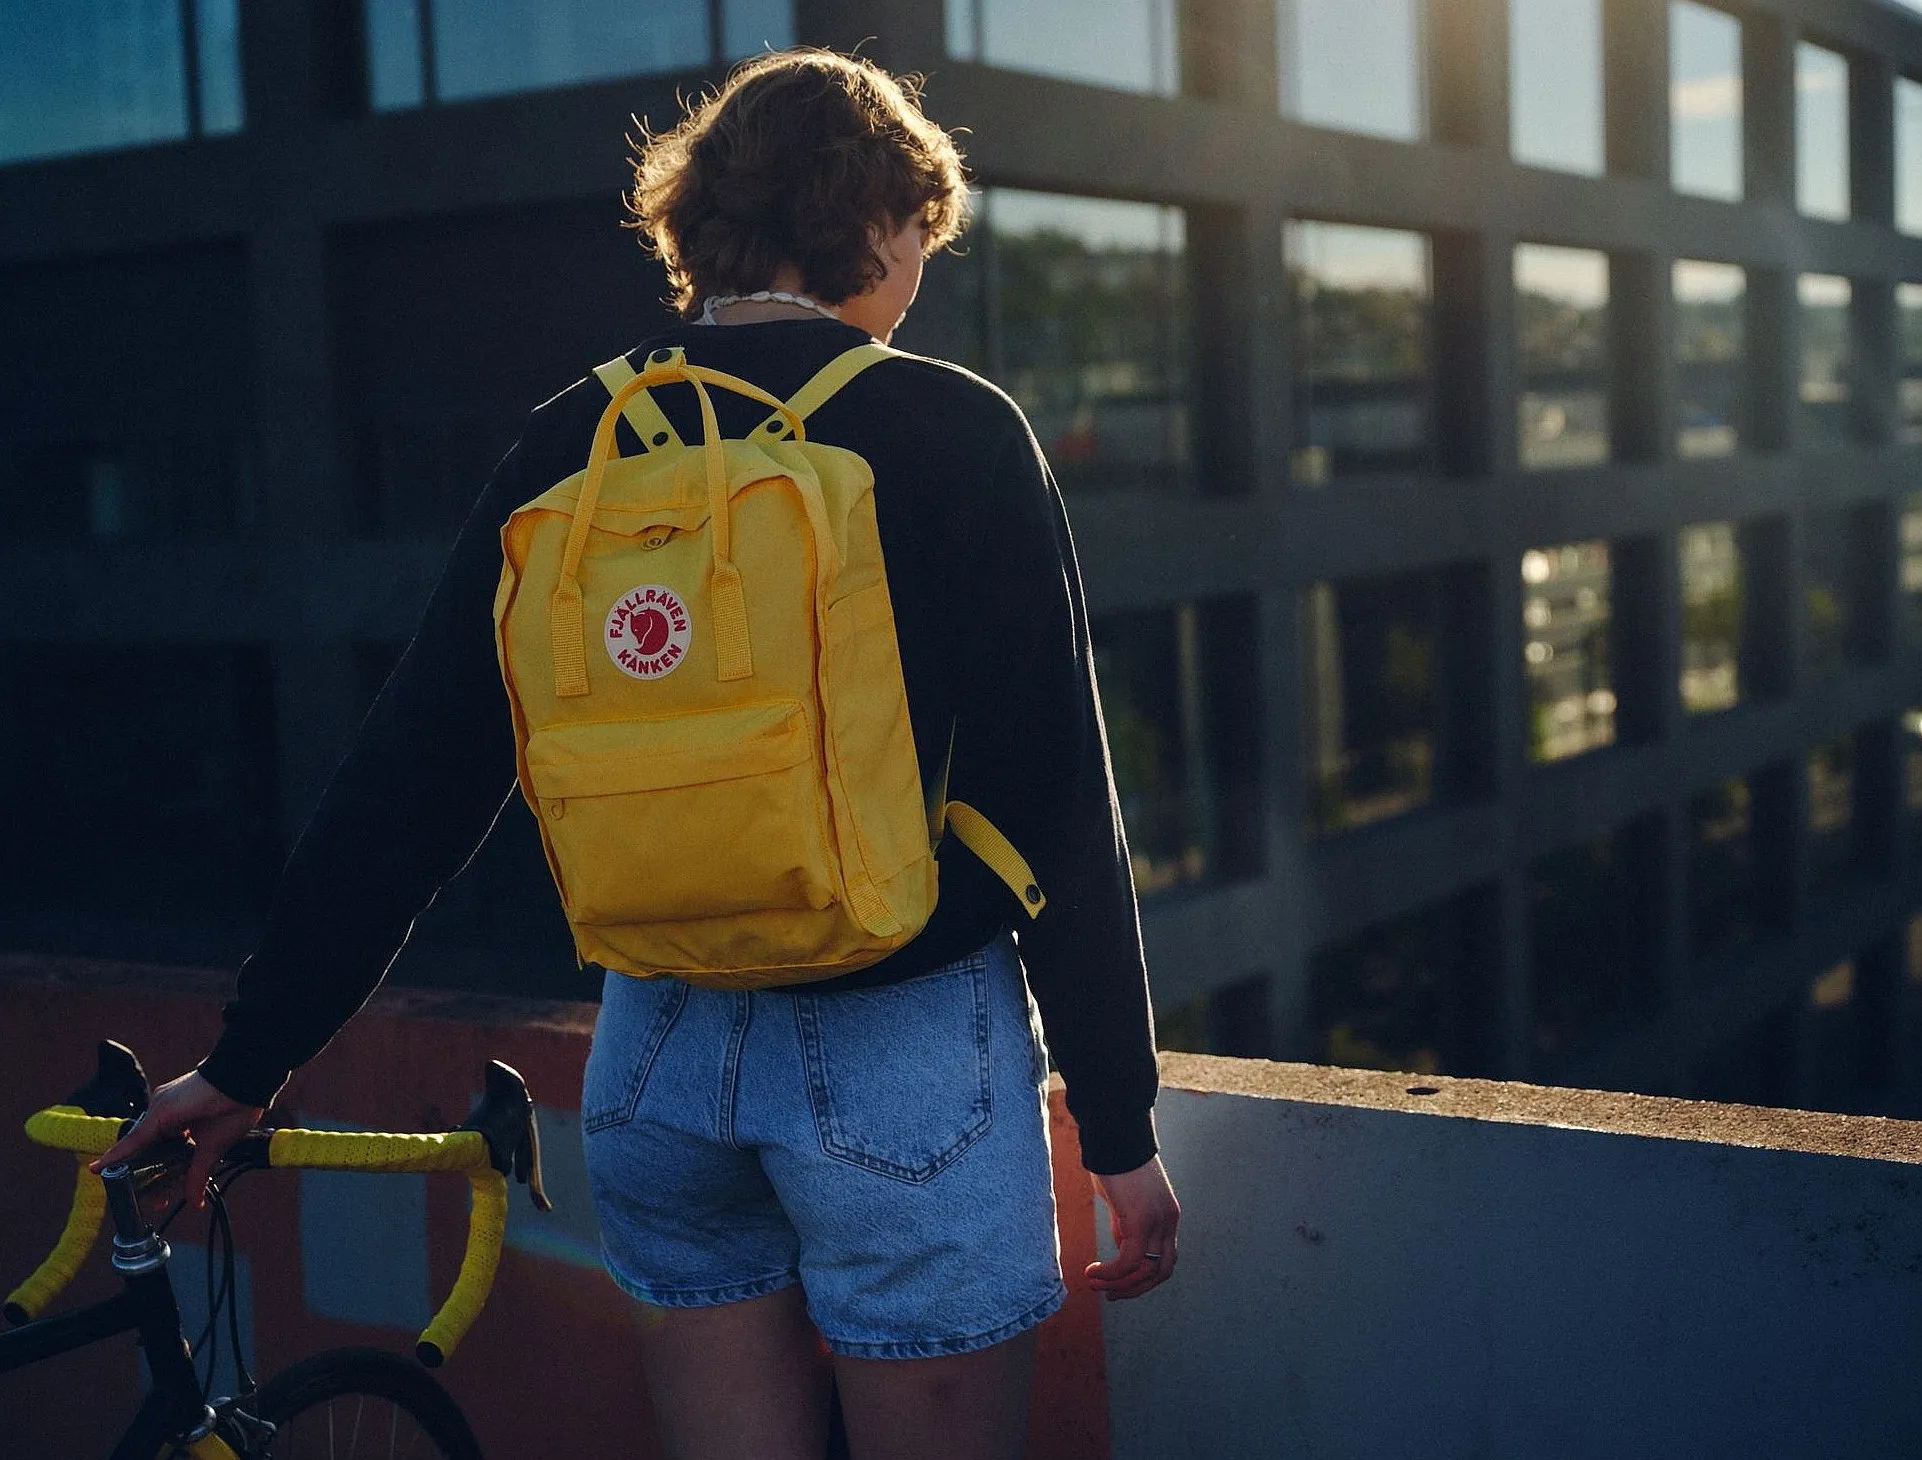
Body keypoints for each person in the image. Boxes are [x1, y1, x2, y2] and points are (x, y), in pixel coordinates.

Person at [100, 48, 1179, 1460]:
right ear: (874, 215)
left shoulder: (573, 440)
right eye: (921, 224)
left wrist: (253, 1059)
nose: (922, 260)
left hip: (656, 1050)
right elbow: (1057, 805)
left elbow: (412, 783)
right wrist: (1118, 1121)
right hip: (897, 1039)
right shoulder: (949, 426)